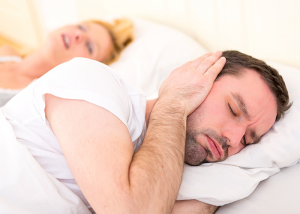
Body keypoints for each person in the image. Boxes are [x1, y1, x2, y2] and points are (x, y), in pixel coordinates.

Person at [2, 50, 290, 213]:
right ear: (197, 75)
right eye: (233, 109)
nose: (234, 140)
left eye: (249, 139)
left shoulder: (161, 171)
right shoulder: (92, 80)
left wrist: (210, 198)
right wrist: (174, 103)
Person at [0, 17, 133, 106]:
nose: (79, 34)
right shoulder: (7, 51)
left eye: (90, 47)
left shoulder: (33, 100)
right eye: (81, 27)